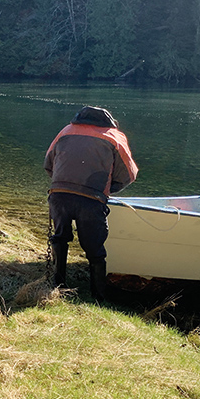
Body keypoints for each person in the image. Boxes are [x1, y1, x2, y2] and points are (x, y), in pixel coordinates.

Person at [44, 105, 138, 301]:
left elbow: (48, 163)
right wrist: (107, 190)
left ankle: (58, 285)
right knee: (95, 250)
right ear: (111, 123)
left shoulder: (66, 130)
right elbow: (129, 174)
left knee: (60, 237)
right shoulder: (114, 137)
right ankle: (98, 297)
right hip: (91, 199)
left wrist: (64, 182)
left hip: (59, 194)